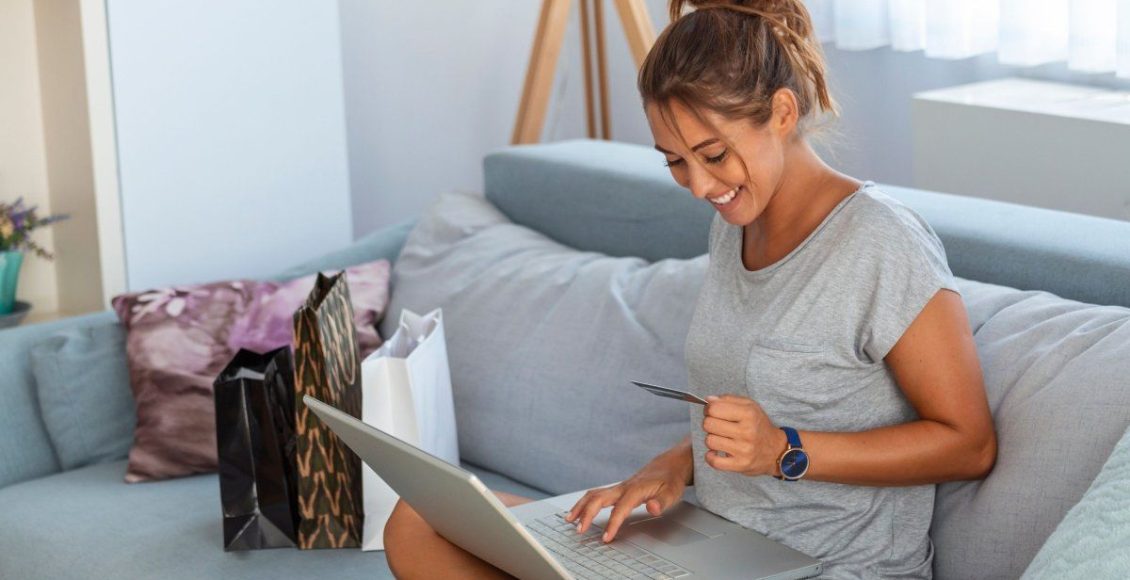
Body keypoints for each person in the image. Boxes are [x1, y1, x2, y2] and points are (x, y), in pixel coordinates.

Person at [384, 1, 997, 578]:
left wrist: (785, 451)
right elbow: (756, 413)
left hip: (833, 567)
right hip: (718, 550)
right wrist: (673, 464)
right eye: (675, 161)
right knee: (419, 522)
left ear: (783, 113)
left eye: (713, 155)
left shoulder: (881, 241)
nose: (700, 187)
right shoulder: (735, 226)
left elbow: (968, 445)